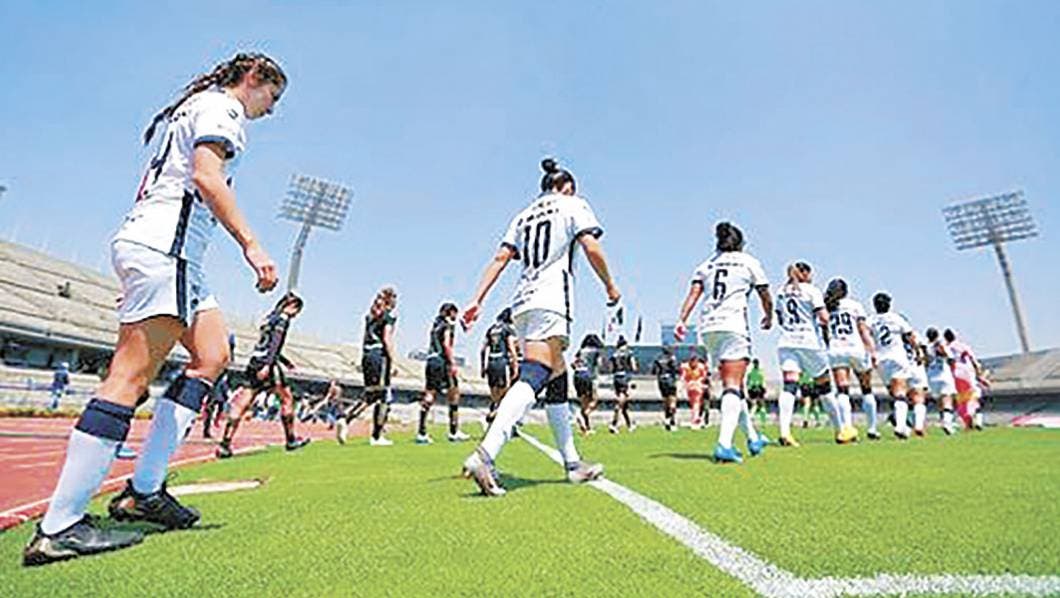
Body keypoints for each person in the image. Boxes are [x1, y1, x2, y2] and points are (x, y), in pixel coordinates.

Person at [24, 53, 285, 566]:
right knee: (129, 377)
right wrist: (253, 245)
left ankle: (143, 489)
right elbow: (208, 179)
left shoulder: (195, 106)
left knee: (212, 354)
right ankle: (61, 523)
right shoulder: (222, 109)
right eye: (271, 98)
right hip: (167, 249)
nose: (270, 111)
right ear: (253, 79)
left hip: (171, 253)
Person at [459, 158, 619, 496]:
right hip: (550, 297)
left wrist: (477, 299)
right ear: (568, 187)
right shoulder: (573, 204)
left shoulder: (523, 215)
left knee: (558, 378)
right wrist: (610, 286)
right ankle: (485, 455)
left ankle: (573, 464)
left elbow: (501, 258)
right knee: (534, 373)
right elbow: (591, 246)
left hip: (522, 302)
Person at [674, 221, 773, 464]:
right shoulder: (748, 262)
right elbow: (764, 294)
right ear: (740, 243)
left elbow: (693, 294)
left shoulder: (706, 264)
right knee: (732, 386)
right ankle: (724, 445)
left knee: (735, 388)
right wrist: (769, 315)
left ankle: (752, 437)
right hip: (733, 326)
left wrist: (682, 320)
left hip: (708, 328)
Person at [216, 292, 309, 457]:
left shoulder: (269, 318)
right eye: (297, 311)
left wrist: (285, 361)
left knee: (242, 404)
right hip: (268, 365)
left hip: (254, 362)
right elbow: (275, 343)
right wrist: (268, 364)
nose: (295, 315)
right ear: (292, 307)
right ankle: (291, 440)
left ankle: (225, 444)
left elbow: (266, 343)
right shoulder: (283, 319)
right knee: (286, 399)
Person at [774, 262, 852, 446]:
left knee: (789, 386)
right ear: (804, 273)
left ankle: (785, 431)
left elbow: (780, 318)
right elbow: (824, 318)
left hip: (786, 341)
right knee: (825, 388)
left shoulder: (781, 292)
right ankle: (840, 430)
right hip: (809, 343)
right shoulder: (811, 291)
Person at [340, 287, 398, 446]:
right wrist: (392, 361)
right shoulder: (389, 316)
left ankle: (346, 419)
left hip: (367, 355)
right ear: (390, 301)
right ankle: (377, 436)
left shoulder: (370, 316)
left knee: (371, 395)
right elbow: (387, 338)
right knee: (384, 396)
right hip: (380, 356)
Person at [823, 278, 879, 439]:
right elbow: (863, 330)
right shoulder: (855, 306)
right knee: (866, 389)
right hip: (855, 349)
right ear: (846, 291)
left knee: (842, 390)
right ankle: (872, 429)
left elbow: (825, 333)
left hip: (836, 349)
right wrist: (872, 350)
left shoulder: (828, 307)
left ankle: (846, 428)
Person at [867, 293, 917, 440]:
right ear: (889, 304)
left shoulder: (871, 320)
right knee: (900, 392)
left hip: (881, 360)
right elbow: (910, 336)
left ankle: (900, 423)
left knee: (893, 393)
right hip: (897, 357)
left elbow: (865, 335)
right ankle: (901, 426)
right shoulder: (896, 318)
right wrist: (918, 352)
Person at [417, 303, 469, 444]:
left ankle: (421, 433)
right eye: (455, 313)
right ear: (450, 312)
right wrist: (452, 363)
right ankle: (453, 432)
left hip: (431, 361)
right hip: (442, 362)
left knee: (429, 395)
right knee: (454, 394)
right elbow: (446, 344)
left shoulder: (436, 324)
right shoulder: (447, 325)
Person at [480, 308, 519, 427]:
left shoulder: (491, 329)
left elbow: (482, 350)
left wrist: (483, 366)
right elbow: (511, 348)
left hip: (491, 362)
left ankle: (493, 418)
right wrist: (515, 365)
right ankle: (495, 414)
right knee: (507, 393)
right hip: (502, 362)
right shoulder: (508, 329)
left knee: (494, 395)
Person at [945, 329, 986, 430]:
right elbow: (974, 361)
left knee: (961, 399)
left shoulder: (946, 348)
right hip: (967, 372)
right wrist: (980, 375)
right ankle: (975, 418)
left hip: (954, 374)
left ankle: (967, 423)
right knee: (974, 396)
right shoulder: (963, 346)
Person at [202, 333, 236, 439]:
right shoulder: (219, 353)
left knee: (220, 404)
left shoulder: (228, 356)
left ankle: (215, 421)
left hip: (221, 383)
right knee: (210, 407)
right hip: (215, 383)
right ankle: (206, 430)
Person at [924, 328, 958, 435]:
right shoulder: (941, 345)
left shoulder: (926, 347)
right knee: (947, 400)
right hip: (943, 374)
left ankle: (944, 421)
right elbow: (951, 358)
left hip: (931, 376)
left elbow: (925, 362)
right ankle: (947, 424)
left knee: (939, 402)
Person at [572, 333, 604, 434]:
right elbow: (600, 364)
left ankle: (586, 428)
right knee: (594, 400)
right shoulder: (596, 352)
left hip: (577, 375)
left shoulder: (580, 351)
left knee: (583, 403)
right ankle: (580, 415)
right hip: (588, 376)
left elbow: (573, 364)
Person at [608, 336, 638, 433]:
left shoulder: (614, 354)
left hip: (616, 378)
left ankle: (630, 425)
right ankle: (614, 423)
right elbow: (634, 367)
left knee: (625, 403)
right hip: (624, 377)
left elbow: (610, 368)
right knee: (621, 402)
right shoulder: (629, 353)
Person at [652, 346, 680, 431]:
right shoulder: (672, 358)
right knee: (673, 401)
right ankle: (672, 421)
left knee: (665, 402)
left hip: (661, 381)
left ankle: (667, 420)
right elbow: (676, 369)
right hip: (670, 380)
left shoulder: (658, 359)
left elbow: (653, 371)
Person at [680, 353, 709, 428]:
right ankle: (696, 418)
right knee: (695, 403)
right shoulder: (685, 366)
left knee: (696, 403)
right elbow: (683, 377)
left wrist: (697, 381)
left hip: (697, 386)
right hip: (691, 386)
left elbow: (703, 376)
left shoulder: (700, 366)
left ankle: (695, 418)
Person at [746, 358, 767, 426]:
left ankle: (754, 418)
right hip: (758, 389)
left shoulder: (751, 372)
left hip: (753, 390)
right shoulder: (759, 372)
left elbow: (747, 383)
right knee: (760, 405)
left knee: (756, 405)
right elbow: (763, 381)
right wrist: (764, 389)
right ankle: (762, 421)